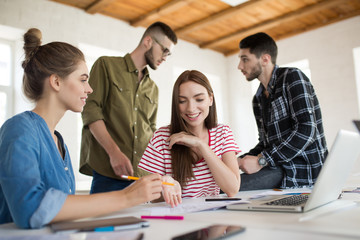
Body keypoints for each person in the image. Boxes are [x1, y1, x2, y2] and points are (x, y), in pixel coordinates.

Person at [0, 28, 167, 229]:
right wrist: (126, 197)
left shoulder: (59, 142)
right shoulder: (19, 129)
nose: (89, 88)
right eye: (83, 79)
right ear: (56, 81)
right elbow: (30, 208)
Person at [80, 22, 178, 194]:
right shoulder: (106, 66)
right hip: (107, 174)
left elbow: (151, 130)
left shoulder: (153, 88)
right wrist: (114, 152)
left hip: (142, 178)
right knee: (104, 222)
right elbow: (91, 110)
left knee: (144, 222)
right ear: (148, 41)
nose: (165, 57)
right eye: (165, 51)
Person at [237, 32, 328, 190]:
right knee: (225, 182)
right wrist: (240, 159)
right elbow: (266, 143)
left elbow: (306, 130)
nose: (240, 66)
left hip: (304, 171)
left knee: (228, 187)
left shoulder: (292, 77)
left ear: (265, 59)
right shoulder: (258, 99)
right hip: (277, 166)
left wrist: (261, 161)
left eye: (245, 59)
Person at [138, 70, 241, 198]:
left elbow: (232, 189)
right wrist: (165, 186)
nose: (191, 108)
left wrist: (201, 145)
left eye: (199, 99)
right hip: (177, 216)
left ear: (210, 99)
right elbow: (152, 198)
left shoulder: (222, 133)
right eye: (182, 101)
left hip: (213, 214)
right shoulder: (161, 138)